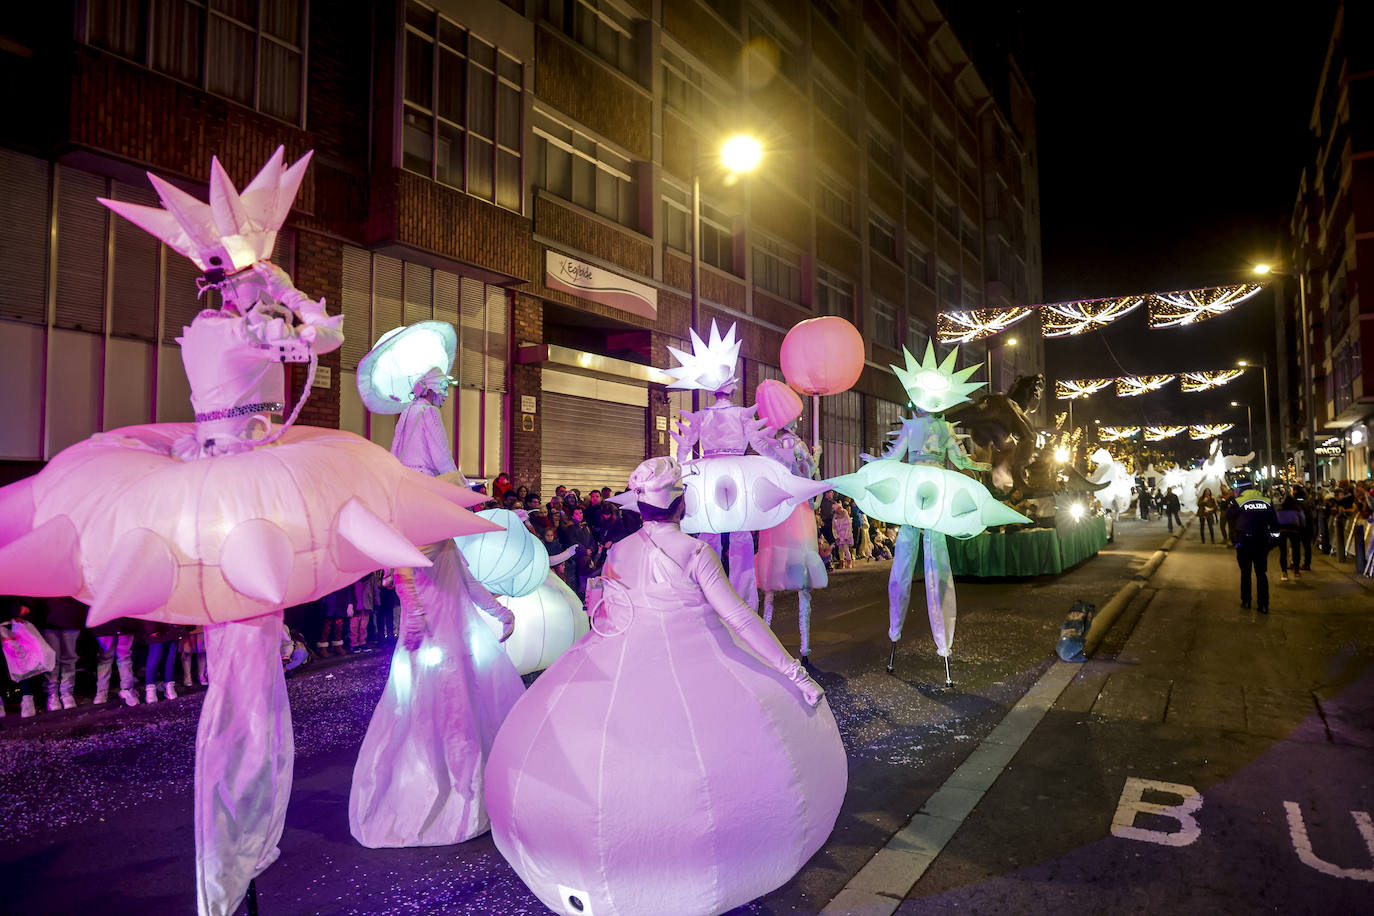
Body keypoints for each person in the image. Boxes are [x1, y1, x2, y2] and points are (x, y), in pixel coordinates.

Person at [483, 457, 844, 915]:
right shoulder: (695, 553)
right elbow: (739, 618)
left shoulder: (619, 549)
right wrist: (793, 672)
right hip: (698, 657)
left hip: (615, 653)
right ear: (682, 503)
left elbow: (605, 610)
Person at [1227, 477, 1280, 613]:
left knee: (1245, 572)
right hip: (1262, 541)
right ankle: (1263, 604)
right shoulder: (1266, 501)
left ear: (1240, 489)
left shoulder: (1238, 502)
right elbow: (1274, 524)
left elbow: (1229, 517)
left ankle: (1246, 601)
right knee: (1261, 573)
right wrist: (1273, 542)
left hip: (1244, 541)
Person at [41, 596, 87, 710]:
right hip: (49, 618)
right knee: (52, 660)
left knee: (69, 658)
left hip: (71, 617)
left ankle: (67, 693)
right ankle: (52, 694)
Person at [1276, 492, 1306, 582]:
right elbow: (1303, 521)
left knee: (1283, 552)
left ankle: (1284, 572)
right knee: (1296, 550)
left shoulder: (1280, 509)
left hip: (1282, 530)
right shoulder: (1297, 509)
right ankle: (1296, 570)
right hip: (1294, 530)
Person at [832, 500, 854, 569]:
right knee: (840, 549)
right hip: (839, 536)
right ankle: (842, 562)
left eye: (840, 508)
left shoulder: (845, 514)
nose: (839, 509)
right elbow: (834, 528)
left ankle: (849, 561)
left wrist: (847, 535)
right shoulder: (835, 517)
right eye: (838, 509)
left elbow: (849, 525)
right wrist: (836, 536)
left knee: (846, 549)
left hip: (845, 535)